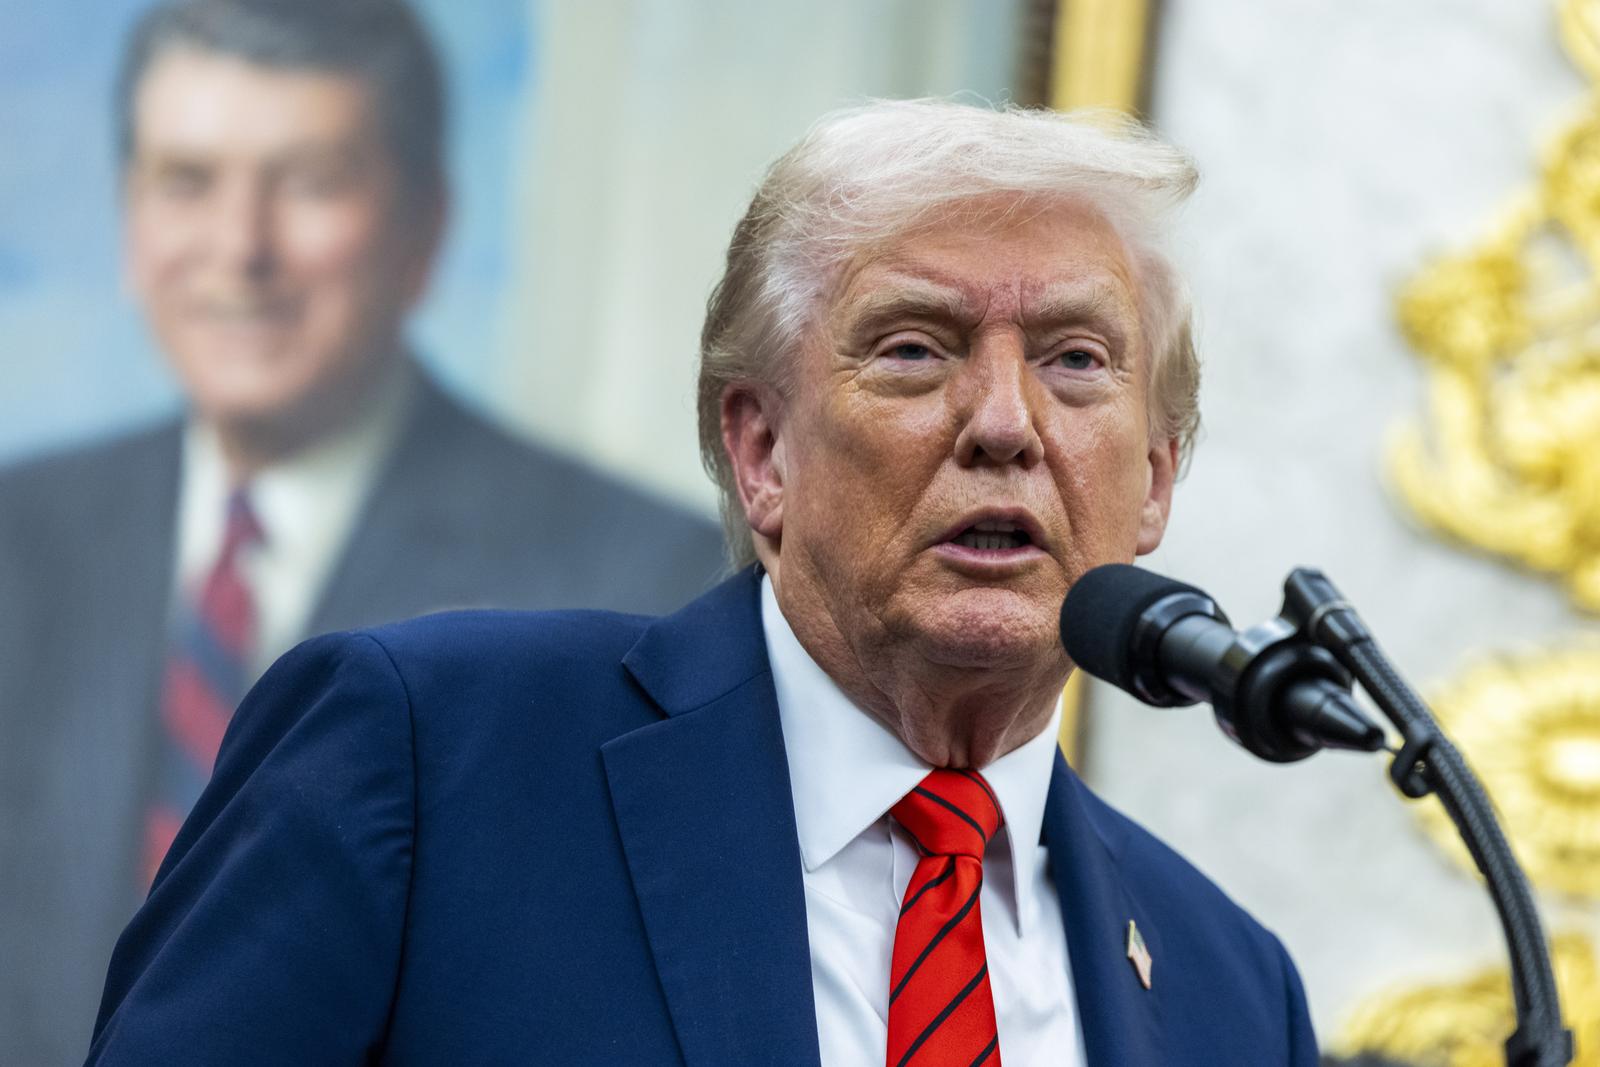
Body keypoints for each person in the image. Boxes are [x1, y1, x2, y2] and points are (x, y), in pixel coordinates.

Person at [87, 99, 1318, 1065]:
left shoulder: (1230, 987)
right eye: (911, 349)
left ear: (1153, 479)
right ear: (760, 448)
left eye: (1075, 359)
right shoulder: (426, 752)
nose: (1003, 421)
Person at [0, 0, 722, 1060]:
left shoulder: (641, 577)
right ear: (128, 219)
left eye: (308, 182)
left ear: (421, 229)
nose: (241, 250)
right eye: (187, 181)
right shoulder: (20, 537)